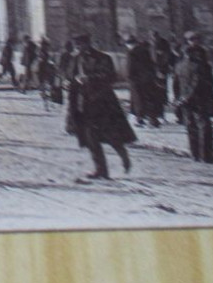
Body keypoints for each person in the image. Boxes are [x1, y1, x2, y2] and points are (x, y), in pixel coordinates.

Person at [66, 33, 135, 179]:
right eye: (75, 46)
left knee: (111, 135)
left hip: (103, 103)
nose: (77, 49)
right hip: (83, 103)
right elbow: (69, 76)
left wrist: (90, 78)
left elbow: (110, 77)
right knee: (91, 139)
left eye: (80, 45)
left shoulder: (103, 58)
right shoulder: (75, 59)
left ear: (87, 44)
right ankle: (101, 170)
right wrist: (70, 81)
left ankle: (124, 156)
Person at [173, 35, 213, 163]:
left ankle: (195, 154)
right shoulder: (200, 66)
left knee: (190, 126)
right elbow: (197, 84)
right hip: (199, 100)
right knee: (204, 126)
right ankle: (206, 156)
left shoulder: (179, 66)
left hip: (184, 101)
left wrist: (179, 99)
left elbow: (175, 84)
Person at [125, 36, 164, 128]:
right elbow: (151, 64)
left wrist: (129, 78)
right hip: (148, 79)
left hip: (136, 80)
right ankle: (153, 120)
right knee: (150, 99)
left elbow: (130, 68)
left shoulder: (131, 53)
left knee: (138, 100)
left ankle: (139, 119)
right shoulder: (145, 51)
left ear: (129, 44)